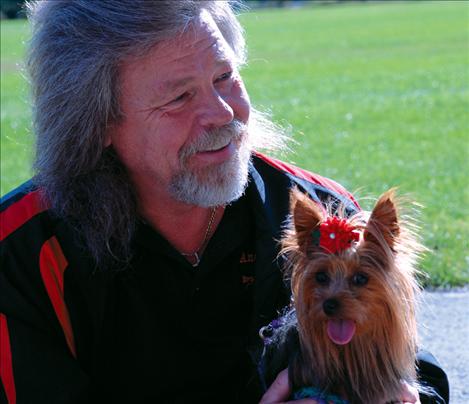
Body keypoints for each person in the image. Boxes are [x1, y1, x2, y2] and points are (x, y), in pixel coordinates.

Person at [0, 1, 448, 403]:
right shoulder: (19, 257)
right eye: (179, 96)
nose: (223, 112)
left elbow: (414, 369)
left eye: (225, 76)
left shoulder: (323, 214)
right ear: (96, 124)